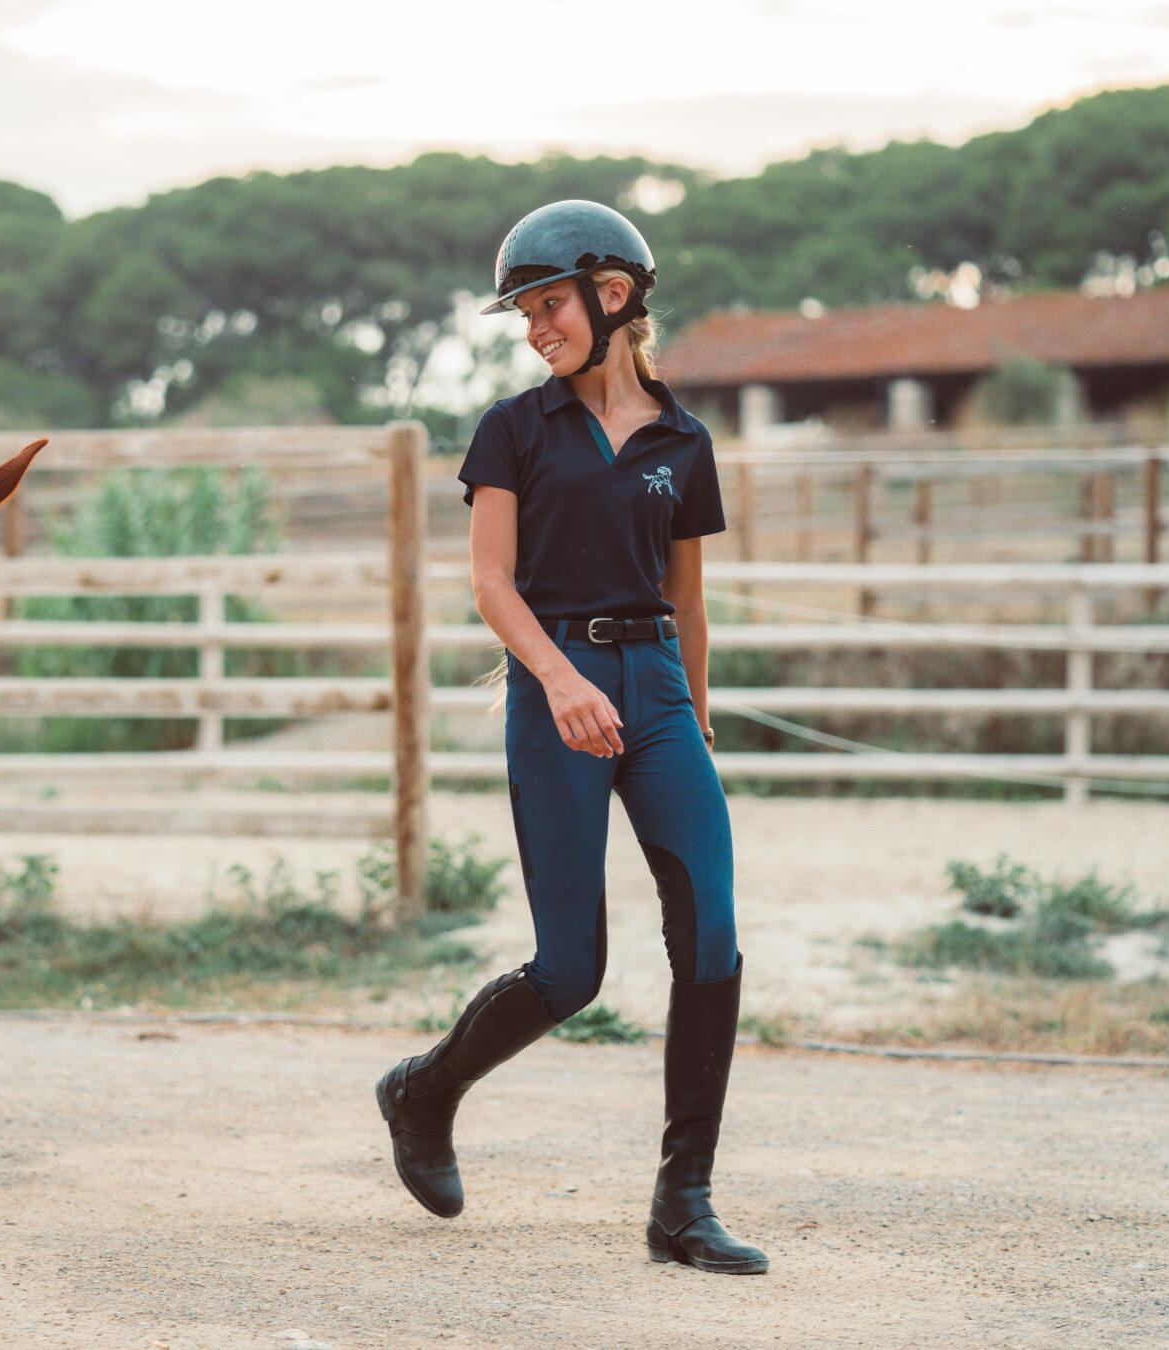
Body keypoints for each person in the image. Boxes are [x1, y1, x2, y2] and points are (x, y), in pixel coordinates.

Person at [374, 199, 767, 1275]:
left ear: (614, 294)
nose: (533, 326)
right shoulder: (514, 428)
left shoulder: (684, 441)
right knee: (569, 967)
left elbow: (688, 601)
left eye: (548, 304)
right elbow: (489, 583)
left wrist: (694, 720)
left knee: (714, 938)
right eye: (525, 312)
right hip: (557, 686)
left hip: (658, 697)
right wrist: (554, 679)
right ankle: (423, 1091)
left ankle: (683, 1202)